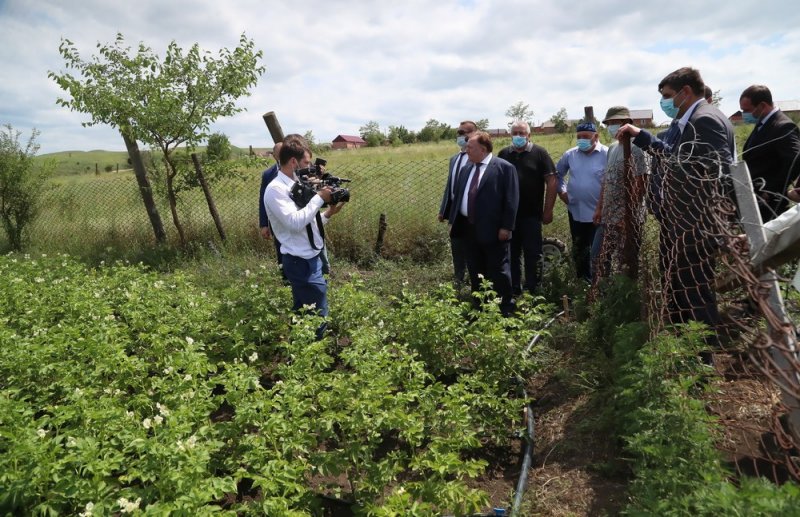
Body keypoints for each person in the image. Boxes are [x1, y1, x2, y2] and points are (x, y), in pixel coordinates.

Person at [618, 66, 735, 331]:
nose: (665, 102)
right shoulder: (687, 121)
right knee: (680, 290)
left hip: (694, 224)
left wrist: (725, 224)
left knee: (695, 295)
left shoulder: (705, 119)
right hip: (681, 222)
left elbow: (723, 173)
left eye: (668, 95)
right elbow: (678, 158)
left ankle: (702, 358)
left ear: (686, 91)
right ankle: (683, 347)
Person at [263, 138, 343, 339]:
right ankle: (315, 352)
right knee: (318, 311)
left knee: (301, 309)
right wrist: (319, 198)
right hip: (300, 262)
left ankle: (297, 348)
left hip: (310, 257)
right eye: (306, 163)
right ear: (293, 162)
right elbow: (295, 222)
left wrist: (327, 215)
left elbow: (307, 225)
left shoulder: (296, 184)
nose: (310, 168)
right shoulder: (276, 190)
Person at [448, 131, 519, 316]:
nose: (466, 150)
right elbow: (459, 198)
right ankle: (480, 307)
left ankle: (506, 310)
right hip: (468, 229)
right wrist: (454, 220)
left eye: (470, 147)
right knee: (475, 270)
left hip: (494, 230)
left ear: (483, 148)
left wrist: (506, 227)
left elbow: (511, 200)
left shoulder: (504, 168)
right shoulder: (466, 169)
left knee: (499, 271)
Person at [498, 120, 557, 296]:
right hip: (509, 217)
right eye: (515, 133)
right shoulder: (503, 154)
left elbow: (552, 182)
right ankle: (514, 290)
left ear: (529, 135)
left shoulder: (540, 153)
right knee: (511, 255)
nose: (518, 136)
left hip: (531, 215)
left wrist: (548, 210)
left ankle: (534, 289)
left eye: (522, 133)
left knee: (533, 254)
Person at [592, 107, 649, 280]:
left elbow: (642, 182)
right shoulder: (612, 148)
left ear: (626, 124)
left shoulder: (638, 148)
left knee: (625, 262)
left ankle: (624, 298)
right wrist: (600, 208)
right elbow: (607, 180)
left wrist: (628, 216)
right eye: (608, 124)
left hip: (628, 219)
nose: (610, 127)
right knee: (598, 257)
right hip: (609, 215)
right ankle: (602, 294)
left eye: (614, 123)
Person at [555, 121, 608, 281]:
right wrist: (561, 191)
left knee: (597, 251)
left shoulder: (607, 153)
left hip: (599, 213)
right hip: (576, 211)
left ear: (596, 136)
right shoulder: (570, 154)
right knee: (579, 248)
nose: (581, 140)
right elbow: (557, 174)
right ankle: (582, 282)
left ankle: (599, 283)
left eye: (586, 136)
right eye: (579, 137)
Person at [739, 84, 800, 222]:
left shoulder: (783, 126)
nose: (744, 114)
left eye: (747, 110)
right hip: (756, 199)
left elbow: (795, 160)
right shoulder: (764, 123)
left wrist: (772, 190)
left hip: (770, 204)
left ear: (762, 105)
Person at [439, 120, 478, 286]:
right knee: (456, 245)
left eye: (465, 133)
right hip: (455, 212)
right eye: (459, 133)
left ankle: (477, 278)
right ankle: (459, 278)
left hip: (472, 211)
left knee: (474, 247)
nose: (461, 136)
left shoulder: (478, 158)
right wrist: (443, 210)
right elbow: (450, 186)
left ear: (474, 134)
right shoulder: (454, 159)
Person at [259, 142, 284, 268]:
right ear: (274, 156)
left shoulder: (299, 170)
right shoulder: (268, 174)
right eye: (279, 154)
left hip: (296, 220)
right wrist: (264, 224)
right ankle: (285, 282)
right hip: (276, 223)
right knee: (281, 252)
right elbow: (263, 200)